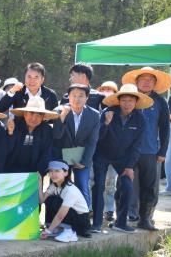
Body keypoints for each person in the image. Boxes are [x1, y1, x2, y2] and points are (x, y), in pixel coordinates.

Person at [91, 84, 150, 234]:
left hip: (123, 158)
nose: (127, 103)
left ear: (136, 102)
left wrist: (129, 166)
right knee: (99, 186)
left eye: (131, 100)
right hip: (102, 154)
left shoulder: (140, 119)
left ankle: (121, 223)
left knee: (127, 186)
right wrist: (106, 124)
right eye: (124, 100)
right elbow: (97, 137)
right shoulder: (108, 112)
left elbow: (137, 146)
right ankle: (96, 223)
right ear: (119, 101)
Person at [121, 66, 171, 231]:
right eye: (143, 79)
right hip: (128, 151)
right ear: (136, 82)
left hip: (150, 151)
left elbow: (165, 128)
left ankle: (146, 218)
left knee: (150, 186)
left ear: (155, 83)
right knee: (127, 184)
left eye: (150, 80)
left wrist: (162, 151)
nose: (146, 82)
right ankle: (129, 215)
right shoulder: (129, 98)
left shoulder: (160, 102)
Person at [52, 83, 100, 208]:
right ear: (68, 97)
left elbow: (92, 141)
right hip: (61, 155)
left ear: (87, 98)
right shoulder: (59, 111)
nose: (77, 99)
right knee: (59, 186)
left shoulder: (94, 115)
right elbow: (56, 135)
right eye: (73, 95)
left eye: (81, 96)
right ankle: (57, 215)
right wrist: (62, 117)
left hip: (82, 156)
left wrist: (84, 162)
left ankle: (84, 215)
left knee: (82, 186)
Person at [38, 160, 91, 242]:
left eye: (57, 171)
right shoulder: (54, 186)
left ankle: (70, 232)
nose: (53, 174)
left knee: (57, 202)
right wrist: (40, 182)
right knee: (50, 200)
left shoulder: (70, 190)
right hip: (70, 217)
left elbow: (61, 215)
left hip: (81, 222)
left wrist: (48, 231)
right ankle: (58, 228)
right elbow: (41, 201)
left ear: (66, 173)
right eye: (51, 171)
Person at [5, 97, 58, 174]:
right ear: (25, 114)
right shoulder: (14, 125)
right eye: (31, 113)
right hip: (10, 170)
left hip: (34, 172)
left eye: (39, 114)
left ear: (43, 117)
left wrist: (39, 172)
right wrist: (10, 133)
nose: (34, 118)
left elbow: (47, 154)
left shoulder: (47, 130)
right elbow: (5, 150)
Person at [96, 81, 120, 221]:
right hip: (97, 151)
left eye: (110, 90)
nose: (106, 92)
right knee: (94, 182)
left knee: (110, 182)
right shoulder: (95, 105)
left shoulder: (118, 110)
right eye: (103, 89)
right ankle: (92, 209)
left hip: (113, 152)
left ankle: (109, 210)